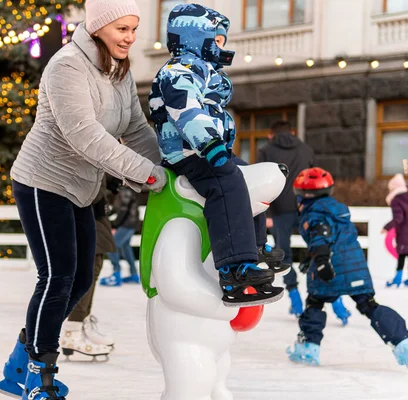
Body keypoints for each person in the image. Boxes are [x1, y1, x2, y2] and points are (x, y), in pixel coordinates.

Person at [0, 0, 163, 397]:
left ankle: (18, 361)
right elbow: (85, 136)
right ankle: (39, 372)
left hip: (85, 188)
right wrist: (148, 174)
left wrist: (170, 168)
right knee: (57, 277)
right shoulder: (66, 66)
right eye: (122, 29)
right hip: (44, 182)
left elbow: (136, 128)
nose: (130, 37)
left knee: (82, 276)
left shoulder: (119, 69)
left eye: (133, 29)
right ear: (99, 27)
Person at [148, 3, 288, 308]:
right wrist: (212, 147)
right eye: (219, 39)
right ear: (197, 38)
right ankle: (235, 268)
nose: (224, 47)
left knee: (246, 177)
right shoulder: (178, 71)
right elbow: (188, 111)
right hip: (188, 152)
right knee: (226, 181)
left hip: (207, 149)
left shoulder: (201, 70)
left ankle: (254, 247)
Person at [286, 167, 408, 368]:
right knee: (369, 305)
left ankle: (309, 348)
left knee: (315, 303)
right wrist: (312, 257)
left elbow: (321, 235)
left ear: (303, 196)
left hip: (331, 269)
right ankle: (402, 341)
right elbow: (338, 239)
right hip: (356, 268)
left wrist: (322, 260)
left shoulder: (313, 214)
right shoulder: (338, 210)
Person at [257, 120, 314, 316]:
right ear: (292, 131)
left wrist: (267, 213)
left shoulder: (265, 150)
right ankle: (326, 296)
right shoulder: (306, 149)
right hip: (305, 207)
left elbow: (260, 182)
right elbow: (313, 177)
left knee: (284, 255)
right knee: (316, 249)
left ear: (271, 134)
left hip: (279, 210)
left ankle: (295, 297)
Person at [60, 178, 115, 358]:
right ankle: (73, 330)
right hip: (88, 218)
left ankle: (81, 324)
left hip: (90, 218)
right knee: (87, 275)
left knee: (91, 272)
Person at [100, 185, 140, 286]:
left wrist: (115, 224)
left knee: (112, 246)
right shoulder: (121, 192)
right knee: (125, 247)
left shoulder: (124, 191)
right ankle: (134, 274)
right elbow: (117, 209)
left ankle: (116, 274)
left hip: (127, 224)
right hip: (130, 223)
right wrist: (105, 215)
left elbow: (124, 210)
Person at [382, 173, 408, 288]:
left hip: (404, 232)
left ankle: (397, 279)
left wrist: (387, 227)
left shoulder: (396, 199)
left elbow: (399, 218)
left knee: (402, 255)